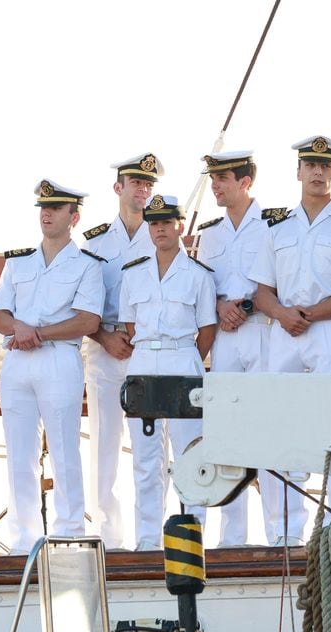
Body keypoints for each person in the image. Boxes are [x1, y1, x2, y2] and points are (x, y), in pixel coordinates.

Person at [249, 136, 331, 541]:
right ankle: (284, 532)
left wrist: (311, 314)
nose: (318, 173)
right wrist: (285, 314)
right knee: (280, 423)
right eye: (311, 165)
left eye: (326, 166)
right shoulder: (277, 228)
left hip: (329, 331)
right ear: (299, 171)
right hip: (284, 332)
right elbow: (261, 291)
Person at [194, 151, 304, 547]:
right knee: (227, 434)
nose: (216, 186)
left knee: (273, 429)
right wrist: (220, 307)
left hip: (263, 331)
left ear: (246, 181)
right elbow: (202, 287)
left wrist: (242, 306)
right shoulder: (209, 235)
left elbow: (281, 282)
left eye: (222, 177)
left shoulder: (275, 226)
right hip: (225, 338)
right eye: (212, 179)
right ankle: (232, 537)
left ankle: (285, 531)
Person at [0, 179, 104, 554]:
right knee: (19, 454)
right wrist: (20, 329)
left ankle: (70, 530)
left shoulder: (87, 265)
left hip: (59, 358)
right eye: (43, 208)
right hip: (18, 361)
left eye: (55, 208)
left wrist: (35, 331)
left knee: (64, 449)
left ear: (75, 216)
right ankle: (23, 538)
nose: (47, 214)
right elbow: (0, 314)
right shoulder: (19, 261)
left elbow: (88, 321)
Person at [119, 194, 216, 551]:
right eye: (154, 223)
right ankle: (146, 539)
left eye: (166, 222)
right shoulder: (134, 273)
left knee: (190, 455)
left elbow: (207, 329)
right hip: (143, 363)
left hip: (182, 360)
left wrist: (188, 360)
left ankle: (195, 536)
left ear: (180, 225)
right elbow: (129, 323)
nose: (159, 229)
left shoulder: (198, 275)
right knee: (145, 459)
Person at [80, 153, 163, 551]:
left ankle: (151, 537)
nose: (143, 190)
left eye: (149, 184)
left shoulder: (164, 235)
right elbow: (81, 299)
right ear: (118, 188)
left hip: (148, 349)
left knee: (150, 447)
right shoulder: (96, 241)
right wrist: (103, 337)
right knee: (104, 446)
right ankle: (109, 538)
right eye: (135, 182)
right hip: (104, 347)